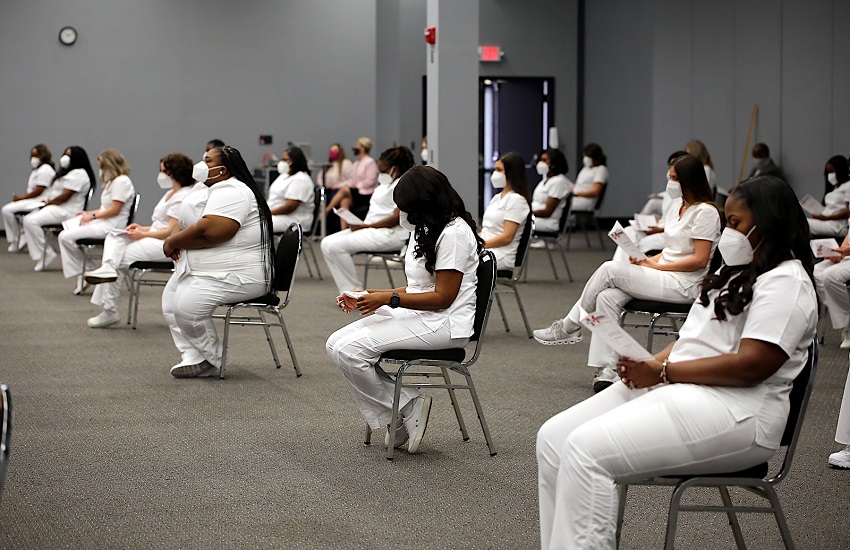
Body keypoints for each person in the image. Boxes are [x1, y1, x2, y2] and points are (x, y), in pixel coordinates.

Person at [536, 176, 817, 550]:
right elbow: (691, 341)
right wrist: (648, 364)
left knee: (586, 453)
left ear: (768, 223)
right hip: (683, 387)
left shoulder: (788, 282)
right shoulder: (735, 272)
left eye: (735, 224)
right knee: (552, 440)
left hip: (740, 413)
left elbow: (753, 365)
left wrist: (664, 372)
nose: (727, 234)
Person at [326, 165, 483, 453]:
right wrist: (370, 294)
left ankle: (404, 408)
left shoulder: (454, 234)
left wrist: (388, 300)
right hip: (422, 315)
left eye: (407, 208)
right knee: (335, 344)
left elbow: (443, 297)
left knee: (351, 351)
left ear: (425, 204)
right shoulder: (426, 227)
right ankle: (404, 409)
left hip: (444, 324)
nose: (402, 215)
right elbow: (417, 287)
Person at [533, 155, 721, 392]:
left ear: (689, 180)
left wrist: (656, 266)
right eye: (669, 177)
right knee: (606, 297)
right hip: (666, 275)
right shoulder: (678, 207)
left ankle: (570, 325)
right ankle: (607, 368)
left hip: (685, 284)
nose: (670, 182)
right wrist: (646, 260)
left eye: (675, 178)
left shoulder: (705, 212)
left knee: (608, 269)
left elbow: (700, 260)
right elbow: (670, 251)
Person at [161, 145, 275, 378]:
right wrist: (180, 238)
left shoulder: (233, 191)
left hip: (242, 275)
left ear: (223, 170)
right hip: (213, 270)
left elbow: (212, 232)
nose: (201, 166)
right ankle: (195, 356)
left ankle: (216, 360)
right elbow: (192, 223)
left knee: (186, 309)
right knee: (171, 303)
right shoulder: (212, 188)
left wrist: (172, 242)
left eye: (208, 161)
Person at [81, 153, 195, 328]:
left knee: (121, 258)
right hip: (155, 238)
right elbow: (159, 225)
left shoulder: (183, 195)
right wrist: (141, 228)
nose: (161, 174)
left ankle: (109, 310)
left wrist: (143, 235)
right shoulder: (172, 193)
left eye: (163, 170)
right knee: (114, 235)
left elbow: (171, 232)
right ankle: (107, 268)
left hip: (166, 245)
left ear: (174, 172)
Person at [321, 146, 414, 293]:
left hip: (390, 234)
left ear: (394, 169)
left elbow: (396, 218)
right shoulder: (384, 185)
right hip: (372, 229)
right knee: (326, 243)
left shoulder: (404, 184)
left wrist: (366, 226)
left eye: (383, 171)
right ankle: (349, 290)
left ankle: (354, 292)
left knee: (336, 246)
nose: (380, 174)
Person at [56, 148, 136, 294]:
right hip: (104, 222)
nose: (100, 170)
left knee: (64, 237)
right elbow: (104, 208)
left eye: (102, 166)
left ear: (110, 165)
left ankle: (86, 271)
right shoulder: (113, 182)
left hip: (112, 226)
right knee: (68, 228)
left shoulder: (122, 181)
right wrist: (88, 214)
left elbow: (115, 210)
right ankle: (87, 271)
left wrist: (92, 217)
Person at [22, 145, 95, 272]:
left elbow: (65, 196)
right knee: (28, 219)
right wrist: (49, 201)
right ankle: (43, 253)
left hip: (67, 211)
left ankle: (46, 253)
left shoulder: (80, 173)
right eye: (65, 154)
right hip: (57, 207)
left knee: (31, 221)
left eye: (69, 155)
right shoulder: (67, 172)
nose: (65, 158)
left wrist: (50, 202)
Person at [612, 151, 687, 262]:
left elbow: (677, 229)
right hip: (662, 231)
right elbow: (667, 217)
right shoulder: (671, 195)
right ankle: (619, 267)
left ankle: (620, 268)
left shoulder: (693, 206)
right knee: (628, 232)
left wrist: (657, 229)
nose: (671, 181)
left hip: (666, 235)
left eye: (675, 178)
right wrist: (653, 222)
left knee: (639, 244)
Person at [481, 152, 531, 270]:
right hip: (488, 248)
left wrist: (479, 245)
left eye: (499, 170)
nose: (495, 174)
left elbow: (507, 237)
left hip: (501, 254)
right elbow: (487, 229)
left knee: (461, 261)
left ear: (511, 173)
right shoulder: (497, 198)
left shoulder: (517, 200)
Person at [2, 144, 56, 252]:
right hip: (33, 200)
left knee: (7, 210)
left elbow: (38, 191)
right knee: (7, 210)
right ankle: (18, 238)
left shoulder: (46, 170)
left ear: (43, 156)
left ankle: (17, 238)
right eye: (32, 156)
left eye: (36, 156)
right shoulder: (37, 169)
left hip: (39, 200)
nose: (33, 159)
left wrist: (21, 198)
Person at [324, 137, 379, 228]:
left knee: (345, 190)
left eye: (357, 145)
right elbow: (351, 180)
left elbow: (370, 180)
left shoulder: (370, 162)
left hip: (366, 193)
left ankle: (327, 210)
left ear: (363, 148)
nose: (354, 147)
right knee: (344, 201)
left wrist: (355, 187)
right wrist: (341, 185)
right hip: (356, 192)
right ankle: (344, 230)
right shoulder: (357, 163)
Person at [268, 146, 315, 233]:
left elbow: (290, 207)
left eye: (286, 160)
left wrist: (268, 213)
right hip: (278, 216)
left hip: (294, 219)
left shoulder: (301, 179)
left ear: (295, 161)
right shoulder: (284, 175)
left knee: (259, 224)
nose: (282, 163)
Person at [807, 155, 850, 238]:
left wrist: (827, 218)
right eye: (828, 173)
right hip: (828, 222)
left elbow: (848, 211)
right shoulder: (836, 188)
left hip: (838, 226)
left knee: (801, 223)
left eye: (832, 172)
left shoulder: (848, 186)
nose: (829, 176)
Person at [531, 148, 572, 233]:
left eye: (544, 160)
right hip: (537, 219)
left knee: (513, 224)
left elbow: (547, 212)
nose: (540, 163)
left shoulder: (559, 182)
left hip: (548, 222)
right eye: (540, 160)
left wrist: (526, 214)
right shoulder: (545, 181)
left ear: (554, 163)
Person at [570, 143, 608, 212]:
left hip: (585, 201)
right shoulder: (585, 169)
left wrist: (578, 193)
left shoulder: (601, 169)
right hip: (575, 198)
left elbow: (596, 191)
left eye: (588, 156)